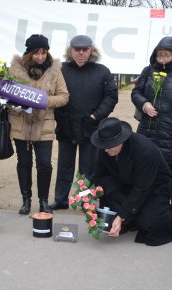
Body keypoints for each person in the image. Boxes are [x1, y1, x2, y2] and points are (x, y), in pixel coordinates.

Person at [50, 35, 118, 210]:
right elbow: (51, 93)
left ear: (91, 51)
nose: (81, 53)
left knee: (88, 168)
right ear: (70, 51)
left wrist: (97, 116)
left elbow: (111, 96)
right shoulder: (60, 70)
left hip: (91, 127)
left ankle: (84, 201)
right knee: (64, 166)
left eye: (84, 49)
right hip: (66, 126)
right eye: (77, 49)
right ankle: (61, 199)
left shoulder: (102, 71)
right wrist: (60, 116)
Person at [7, 34, 69, 215]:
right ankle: (26, 200)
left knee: (44, 164)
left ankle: (43, 201)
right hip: (21, 123)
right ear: (29, 53)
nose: (40, 57)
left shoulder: (55, 70)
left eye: (43, 52)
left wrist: (43, 100)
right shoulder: (15, 68)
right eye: (36, 53)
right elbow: (5, 93)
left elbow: (64, 96)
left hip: (44, 124)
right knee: (24, 163)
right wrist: (14, 101)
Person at [91, 117, 172, 246]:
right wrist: (94, 197)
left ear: (119, 142)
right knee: (107, 185)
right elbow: (98, 174)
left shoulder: (144, 150)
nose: (105, 150)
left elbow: (142, 189)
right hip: (126, 181)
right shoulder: (105, 146)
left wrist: (121, 216)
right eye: (103, 146)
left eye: (108, 147)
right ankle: (128, 217)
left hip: (154, 186)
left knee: (148, 222)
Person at [131, 36, 172, 171]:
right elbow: (136, 92)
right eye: (159, 55)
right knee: (145, 165)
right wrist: (144, 104)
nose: (162, 58)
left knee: (166, 169)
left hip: (168, 130)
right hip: (147, 127)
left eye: (166, 55)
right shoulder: (148, 71)